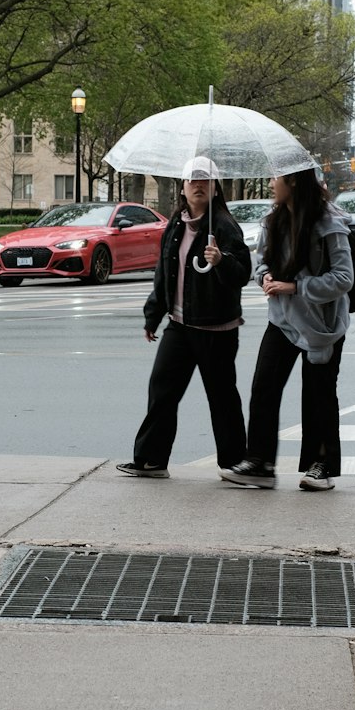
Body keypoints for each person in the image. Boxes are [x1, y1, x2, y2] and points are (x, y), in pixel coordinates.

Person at [116, 157, 251, 480]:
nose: (198, 186)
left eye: (205, 181)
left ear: (216, 189)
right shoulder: (176, 224)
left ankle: (234, 462)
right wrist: (153, 316)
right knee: (162, 389)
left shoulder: (224, 226)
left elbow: (241, 274)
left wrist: (221, 260)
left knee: (222, 398)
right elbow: (164, 274)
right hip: (179, 326)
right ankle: (151, 459)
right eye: (192, 180)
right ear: (182, 188)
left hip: (216, 328)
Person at [220, 167, 353, 492]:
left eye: (275, 179)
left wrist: (295, 287)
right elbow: (262, 263)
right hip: (281, 319)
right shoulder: (273, 221)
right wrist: (264, 277)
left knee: (319, 394)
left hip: (322, 324)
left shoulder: (329, 224)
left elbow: (344, 278)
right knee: (264, 387)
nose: (270, 183)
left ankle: (322, 465)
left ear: (292, 182)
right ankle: (261, 463)